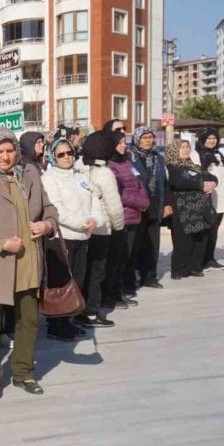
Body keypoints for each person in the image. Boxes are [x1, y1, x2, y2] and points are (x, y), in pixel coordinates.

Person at [0, 128, 58, 398]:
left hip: (29, 259)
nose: (5, 157)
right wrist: (1, 243)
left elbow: (50, 208)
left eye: (9, 151)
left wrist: (47, 225)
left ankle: (24, 372)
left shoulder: (29, 173)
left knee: (28, 320)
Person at [41, 138, 107, 342]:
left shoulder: (80, 177)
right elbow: (56, 208)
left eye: (69, 153)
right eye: (61, 154)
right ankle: (56, 324)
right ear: (54, 156)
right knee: (60, 284)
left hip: (82, 237)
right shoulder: (50, 178)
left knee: (77, 280)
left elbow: (94, 200)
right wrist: (81, 222)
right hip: (62, 238)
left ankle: (68, 320)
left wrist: (95, 219)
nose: (66, 157)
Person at [75, 132, 124, 328]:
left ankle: (77, 309)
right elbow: (113, 206)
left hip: (81, 226)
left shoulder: (78, 167)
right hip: (101, 228)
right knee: (96, 272)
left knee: (82, 271)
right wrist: (119, 227)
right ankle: (91, 312)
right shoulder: (104, 173)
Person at [105, 131, 150, 308]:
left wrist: (145, 201)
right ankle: (114, 295)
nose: (124, 145)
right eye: (120, 143)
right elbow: (120, 193)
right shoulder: (110, 165)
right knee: (118, 258)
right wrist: (141, 202)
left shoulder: (127, 162)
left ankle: (122, 291)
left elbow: (139, 184)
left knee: (128, 257)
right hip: (122, 216)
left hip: (135, 215)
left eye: (125, 142)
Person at [165, 138, 218, 279]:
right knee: (183, 241)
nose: (186, 149)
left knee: (200, 239)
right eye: (182, 147)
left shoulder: (193, 166)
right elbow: (179, 181)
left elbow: (211, 176)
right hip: (183, 209)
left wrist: (212, 183)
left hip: (199, 208)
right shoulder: (172, 167)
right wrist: (201, 185)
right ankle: (179, 270)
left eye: (187, 146)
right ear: (175, 150)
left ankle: (195, 267)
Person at [130, 127, 167, 289]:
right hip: (137, 208)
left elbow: (165, 182)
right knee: (135, 245)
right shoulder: (130, 157)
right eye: (144, 138)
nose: (148, 140)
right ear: (137, 139)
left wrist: (166, 204)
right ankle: (130, 279)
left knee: (152, 244)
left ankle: (149, 277)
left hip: (154, 206)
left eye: (150, 137)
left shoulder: (158, 157)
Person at [193, 127, 224, 270]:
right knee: (206, 229)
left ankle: (210, 258)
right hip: (208, 196)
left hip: (221, 195)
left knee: (215, 228)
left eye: (214, 138)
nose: (212, 141)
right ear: (203, 140)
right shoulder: (197, 154)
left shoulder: (218, 154)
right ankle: (201, 260)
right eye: (209, 138)